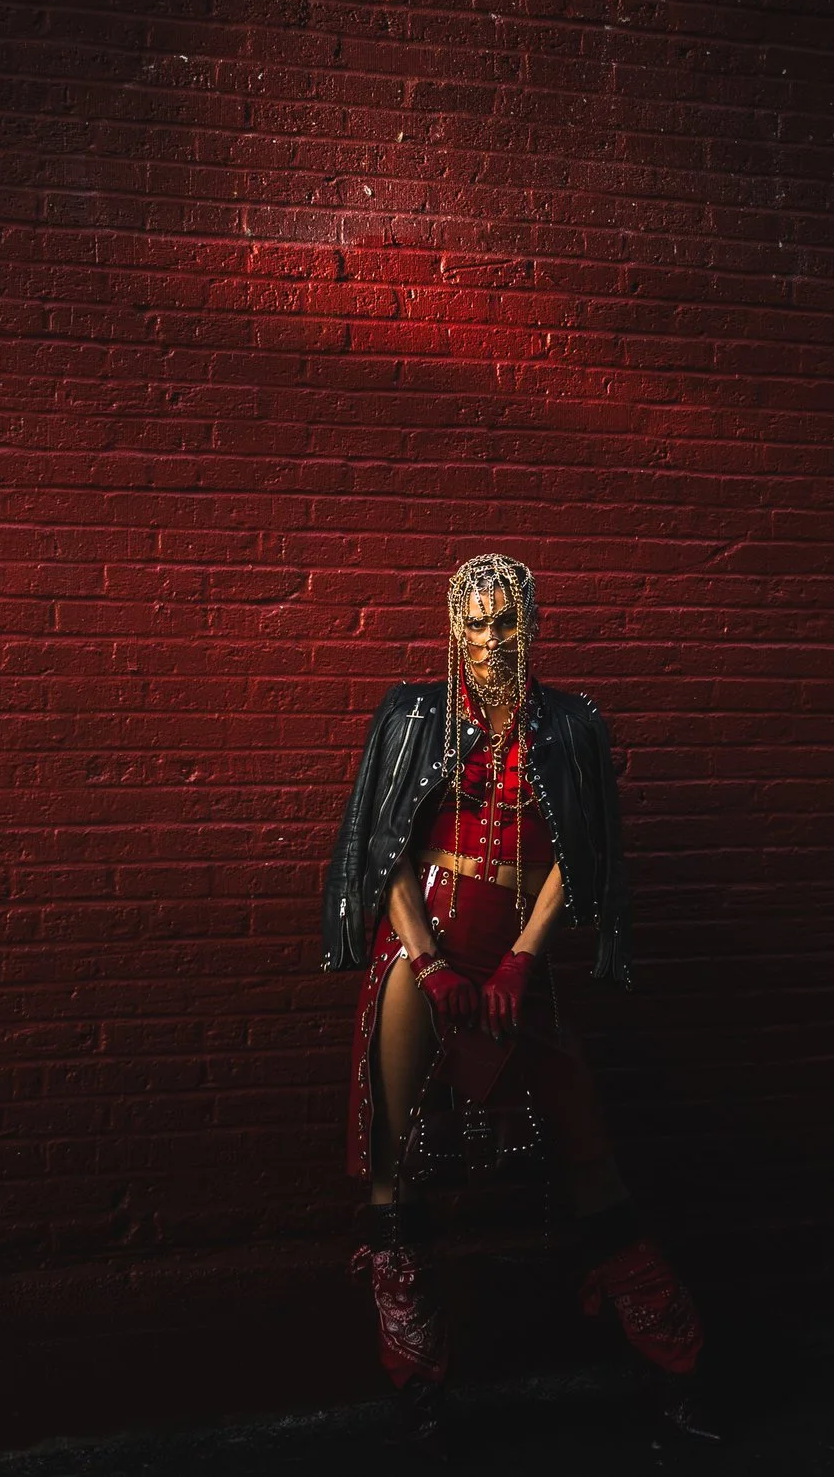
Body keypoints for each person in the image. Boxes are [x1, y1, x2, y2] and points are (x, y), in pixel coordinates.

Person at [322, 554, 715, 1456]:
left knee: (590, 1160)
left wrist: (519, 967)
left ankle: (676, 1367)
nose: (491, 640)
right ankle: (417, 1389)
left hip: (514, 962)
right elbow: (383, 852)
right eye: (475, 624)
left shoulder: (570, 726)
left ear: (531, 622)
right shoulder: (413, 714)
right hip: (417, 951)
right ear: (451, 627)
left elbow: (574, 863)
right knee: (396, 1165)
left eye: (505, 623)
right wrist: (428, 965)